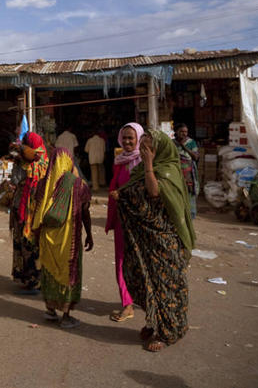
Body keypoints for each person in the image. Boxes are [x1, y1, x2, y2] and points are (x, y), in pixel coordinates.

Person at [117, 130, 195, 352]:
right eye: (143, 147)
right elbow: (131, 190)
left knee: (166, 287)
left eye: (148, 148)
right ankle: (154, 323)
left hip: (165, 241)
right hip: (147, 240)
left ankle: (169, 332)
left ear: (158, 149)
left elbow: (153, 193)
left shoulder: (167, 170)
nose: (143, 151)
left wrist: (149, 164)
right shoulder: (141, 169)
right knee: (148, 281)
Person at [31, 147, 93, 328]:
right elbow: (85, 211)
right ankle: (66, 315)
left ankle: (50, 309)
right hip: (68, 240)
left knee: (49, 271)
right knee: (67, 273)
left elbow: (36, 211)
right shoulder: (77, 185)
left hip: (46, 238)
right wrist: (89, 234)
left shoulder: (43, 184)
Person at [106, 123, 144, 323]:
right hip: (122, 220)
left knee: (141, 261)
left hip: (140, 222)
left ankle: (146, 299)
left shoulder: (144, 162)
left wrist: (124, 195)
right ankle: (127, 304)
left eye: (132, 138)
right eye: (125, 138)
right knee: (121, 262)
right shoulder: (119, 161)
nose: (128, 142)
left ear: (139, 138)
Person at [9, 132, 49, 294]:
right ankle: (37, 280)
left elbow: (14, 181)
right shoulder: (45, 161)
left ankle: (31, 281)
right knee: (36, 243)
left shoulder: (23, 163)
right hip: (39, 210)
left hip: (24, 209)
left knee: (25, 243)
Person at [174, 123, 199, 219]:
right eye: (181, 132)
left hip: (188, 174)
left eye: (186, 132)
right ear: (176, 132)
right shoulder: (172, 143)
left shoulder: (191, 143)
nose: (184, 134)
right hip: (176, 172)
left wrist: (184, 147)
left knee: (189, 194)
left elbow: (196, 157)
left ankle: (190, 216)